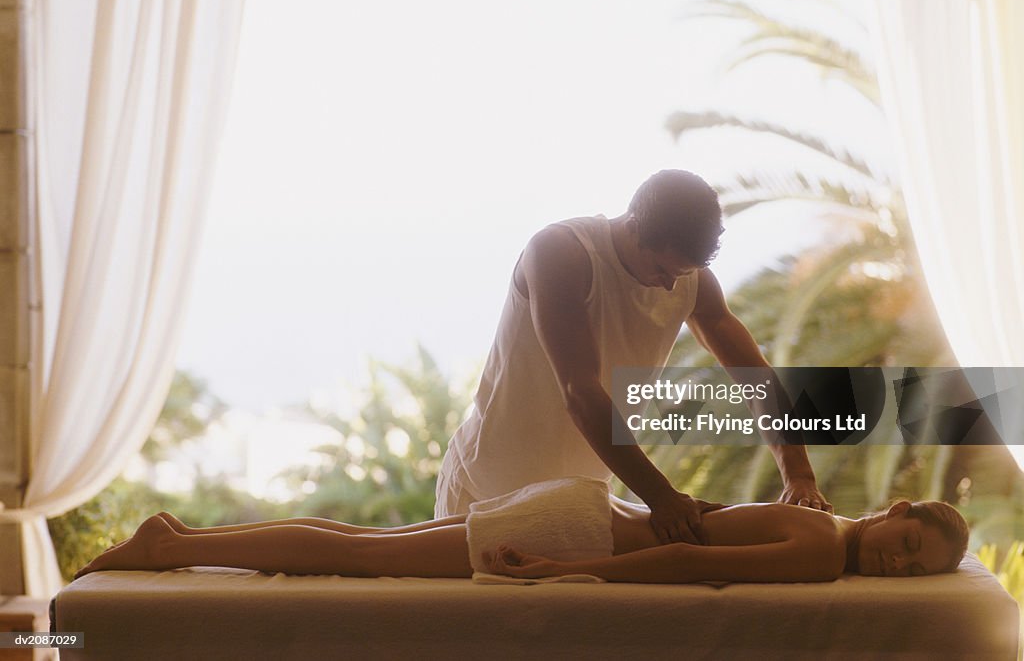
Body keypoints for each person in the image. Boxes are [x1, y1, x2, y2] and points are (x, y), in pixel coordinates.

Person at [436, 169, 830, 544]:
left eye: (684, 272)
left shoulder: (689, 280)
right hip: (484, 488)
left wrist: (799, 477)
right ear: (635, 227)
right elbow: (580, 392)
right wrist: (662, 497)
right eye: (663, 269)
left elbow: (755, 378)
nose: (671, 283)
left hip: (573, 505)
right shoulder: (561, 253)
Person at [75, 478, 967, 584]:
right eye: (910, 543)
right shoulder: (821, 552)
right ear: (895, 512)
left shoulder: (819, 516)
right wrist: (556, 570)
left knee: (359, 539)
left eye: (915, 570)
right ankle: (174, 548)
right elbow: (690, 554)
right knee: (355, 558)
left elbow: (699, 532)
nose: (898, 562)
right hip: (579, 531)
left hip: (583, 507)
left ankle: (183, 534)